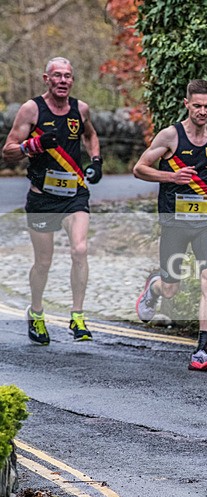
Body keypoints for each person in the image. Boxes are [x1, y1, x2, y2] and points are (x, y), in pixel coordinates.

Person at [132, 79, 207, 371]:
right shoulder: (170, 136)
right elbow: (139, 168)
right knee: (171, 288)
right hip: (174, 221)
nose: (203, 111)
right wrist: (171, 177)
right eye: (197, 106)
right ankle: (154, 288)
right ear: (186, 104)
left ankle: (201, 349)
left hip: (205, 221)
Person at [2, 57, 104, 345]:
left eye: (68, 76)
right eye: (57, 76)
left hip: (74, 194)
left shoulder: (80, 108)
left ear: (72, 80)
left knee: (80, 250)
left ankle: (78, 316)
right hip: (42, 197)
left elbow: (91, 135)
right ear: (46, 78)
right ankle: (36, 312)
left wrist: (96, 161)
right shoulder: (32, 109)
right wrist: (31, 145)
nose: (63, 81)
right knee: (43, 262)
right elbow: (7, 151)